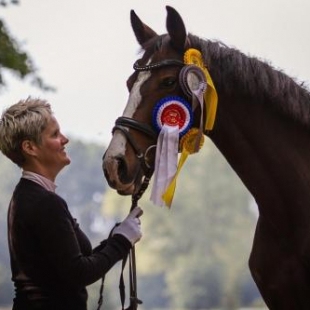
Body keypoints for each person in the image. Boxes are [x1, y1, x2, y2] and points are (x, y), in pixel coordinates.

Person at [0, 98, 143, 310]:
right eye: (54, 134)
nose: (65, 139)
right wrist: (122, 241)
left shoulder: (30, 196)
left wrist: (119, 235)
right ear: (30, 148)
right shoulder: (44, 202)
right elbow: (79, 272)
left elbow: (77, 261)